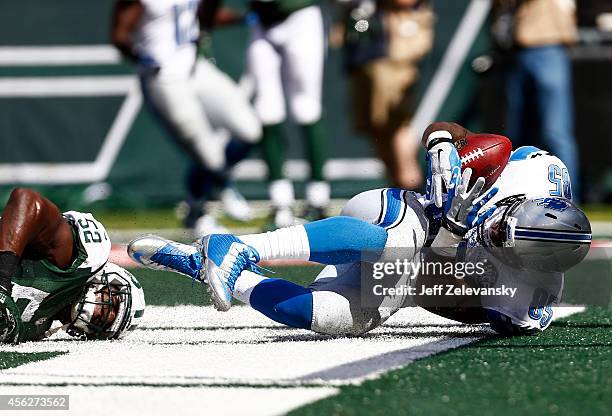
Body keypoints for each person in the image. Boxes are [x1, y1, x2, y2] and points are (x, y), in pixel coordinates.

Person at [128, 122, 591, 336]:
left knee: (330, 319)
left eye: (501, 245)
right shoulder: (531, 172)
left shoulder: (533, 295)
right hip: (390, 214)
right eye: (501, 224)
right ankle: (241, 248)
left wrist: (449, 270)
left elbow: (467, 314)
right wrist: (442, 144)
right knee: (397, 244)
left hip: (420, 277)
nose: (489, 233)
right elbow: (446, 129)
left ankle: (199, 263)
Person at [111, 0, 262, 234]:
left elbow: (201, 17)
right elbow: (119, 35)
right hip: (164, 80)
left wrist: (243, 17)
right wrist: (141, 57)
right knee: (210, 157)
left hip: (195, 68)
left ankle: (220, 183)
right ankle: (196, 213)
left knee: (249, 129)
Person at [0, 188, 145, 343]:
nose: (106, 315)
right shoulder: (72, 259)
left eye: (108, 323)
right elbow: (27, 200)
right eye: (114, 305)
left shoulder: (35, 329)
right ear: (107, 280)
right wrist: (2, 282)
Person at [246, 0, 331, 227]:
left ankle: (318, 199)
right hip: (262, 20)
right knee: (266, 110)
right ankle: (280, 201)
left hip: (300, 15)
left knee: (306, 108)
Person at [340, 0, 434, 190]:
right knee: (377, 129)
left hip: (394, 52)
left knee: (397, 125)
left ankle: (411, 188)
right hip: (367, 56)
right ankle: (398, 188)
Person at [492, 0, 580, 199]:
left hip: (548, 46)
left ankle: (568, 199)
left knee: (555, 133)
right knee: (516, 135)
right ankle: (512, 196)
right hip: (517, 50)